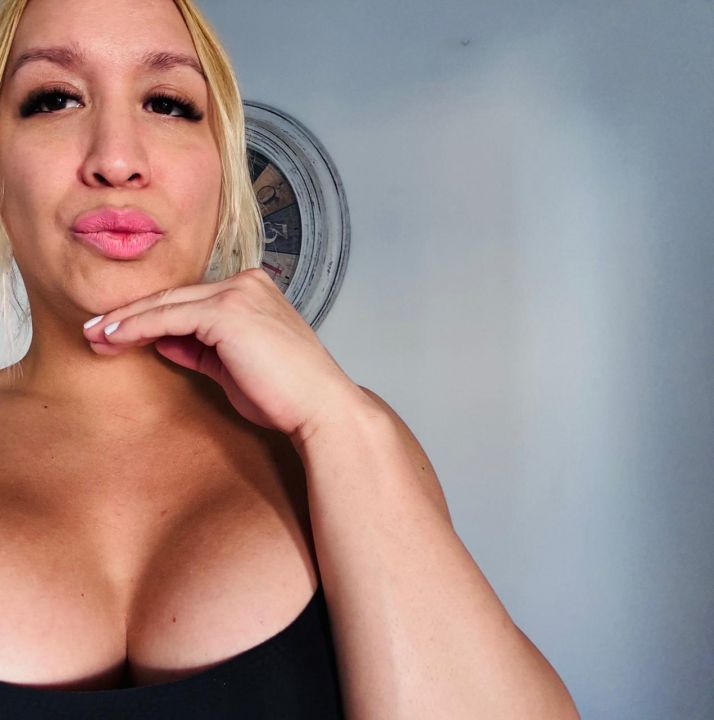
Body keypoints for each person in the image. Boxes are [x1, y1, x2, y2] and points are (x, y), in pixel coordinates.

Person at [0, 0, 581, 717]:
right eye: (54, 99)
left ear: (221, 170)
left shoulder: (346, 438)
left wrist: (337, 420)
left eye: (168, 104)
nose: (117, 160)